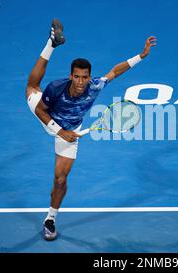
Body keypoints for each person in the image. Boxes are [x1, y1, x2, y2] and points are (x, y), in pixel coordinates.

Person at [25, 19, 156, 241]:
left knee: (60, 180)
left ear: (89, 77)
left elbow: (115, 71)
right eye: (76, 76)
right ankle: (51, 43)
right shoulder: (56, 88)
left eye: (85, 77)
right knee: (31, 86)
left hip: (71, 130)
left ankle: (50, 219)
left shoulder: (94, 87)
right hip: (49, 118)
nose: (80, 81)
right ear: (70, 76)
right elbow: (40, 111)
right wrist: (59, 131)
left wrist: (141, 56)